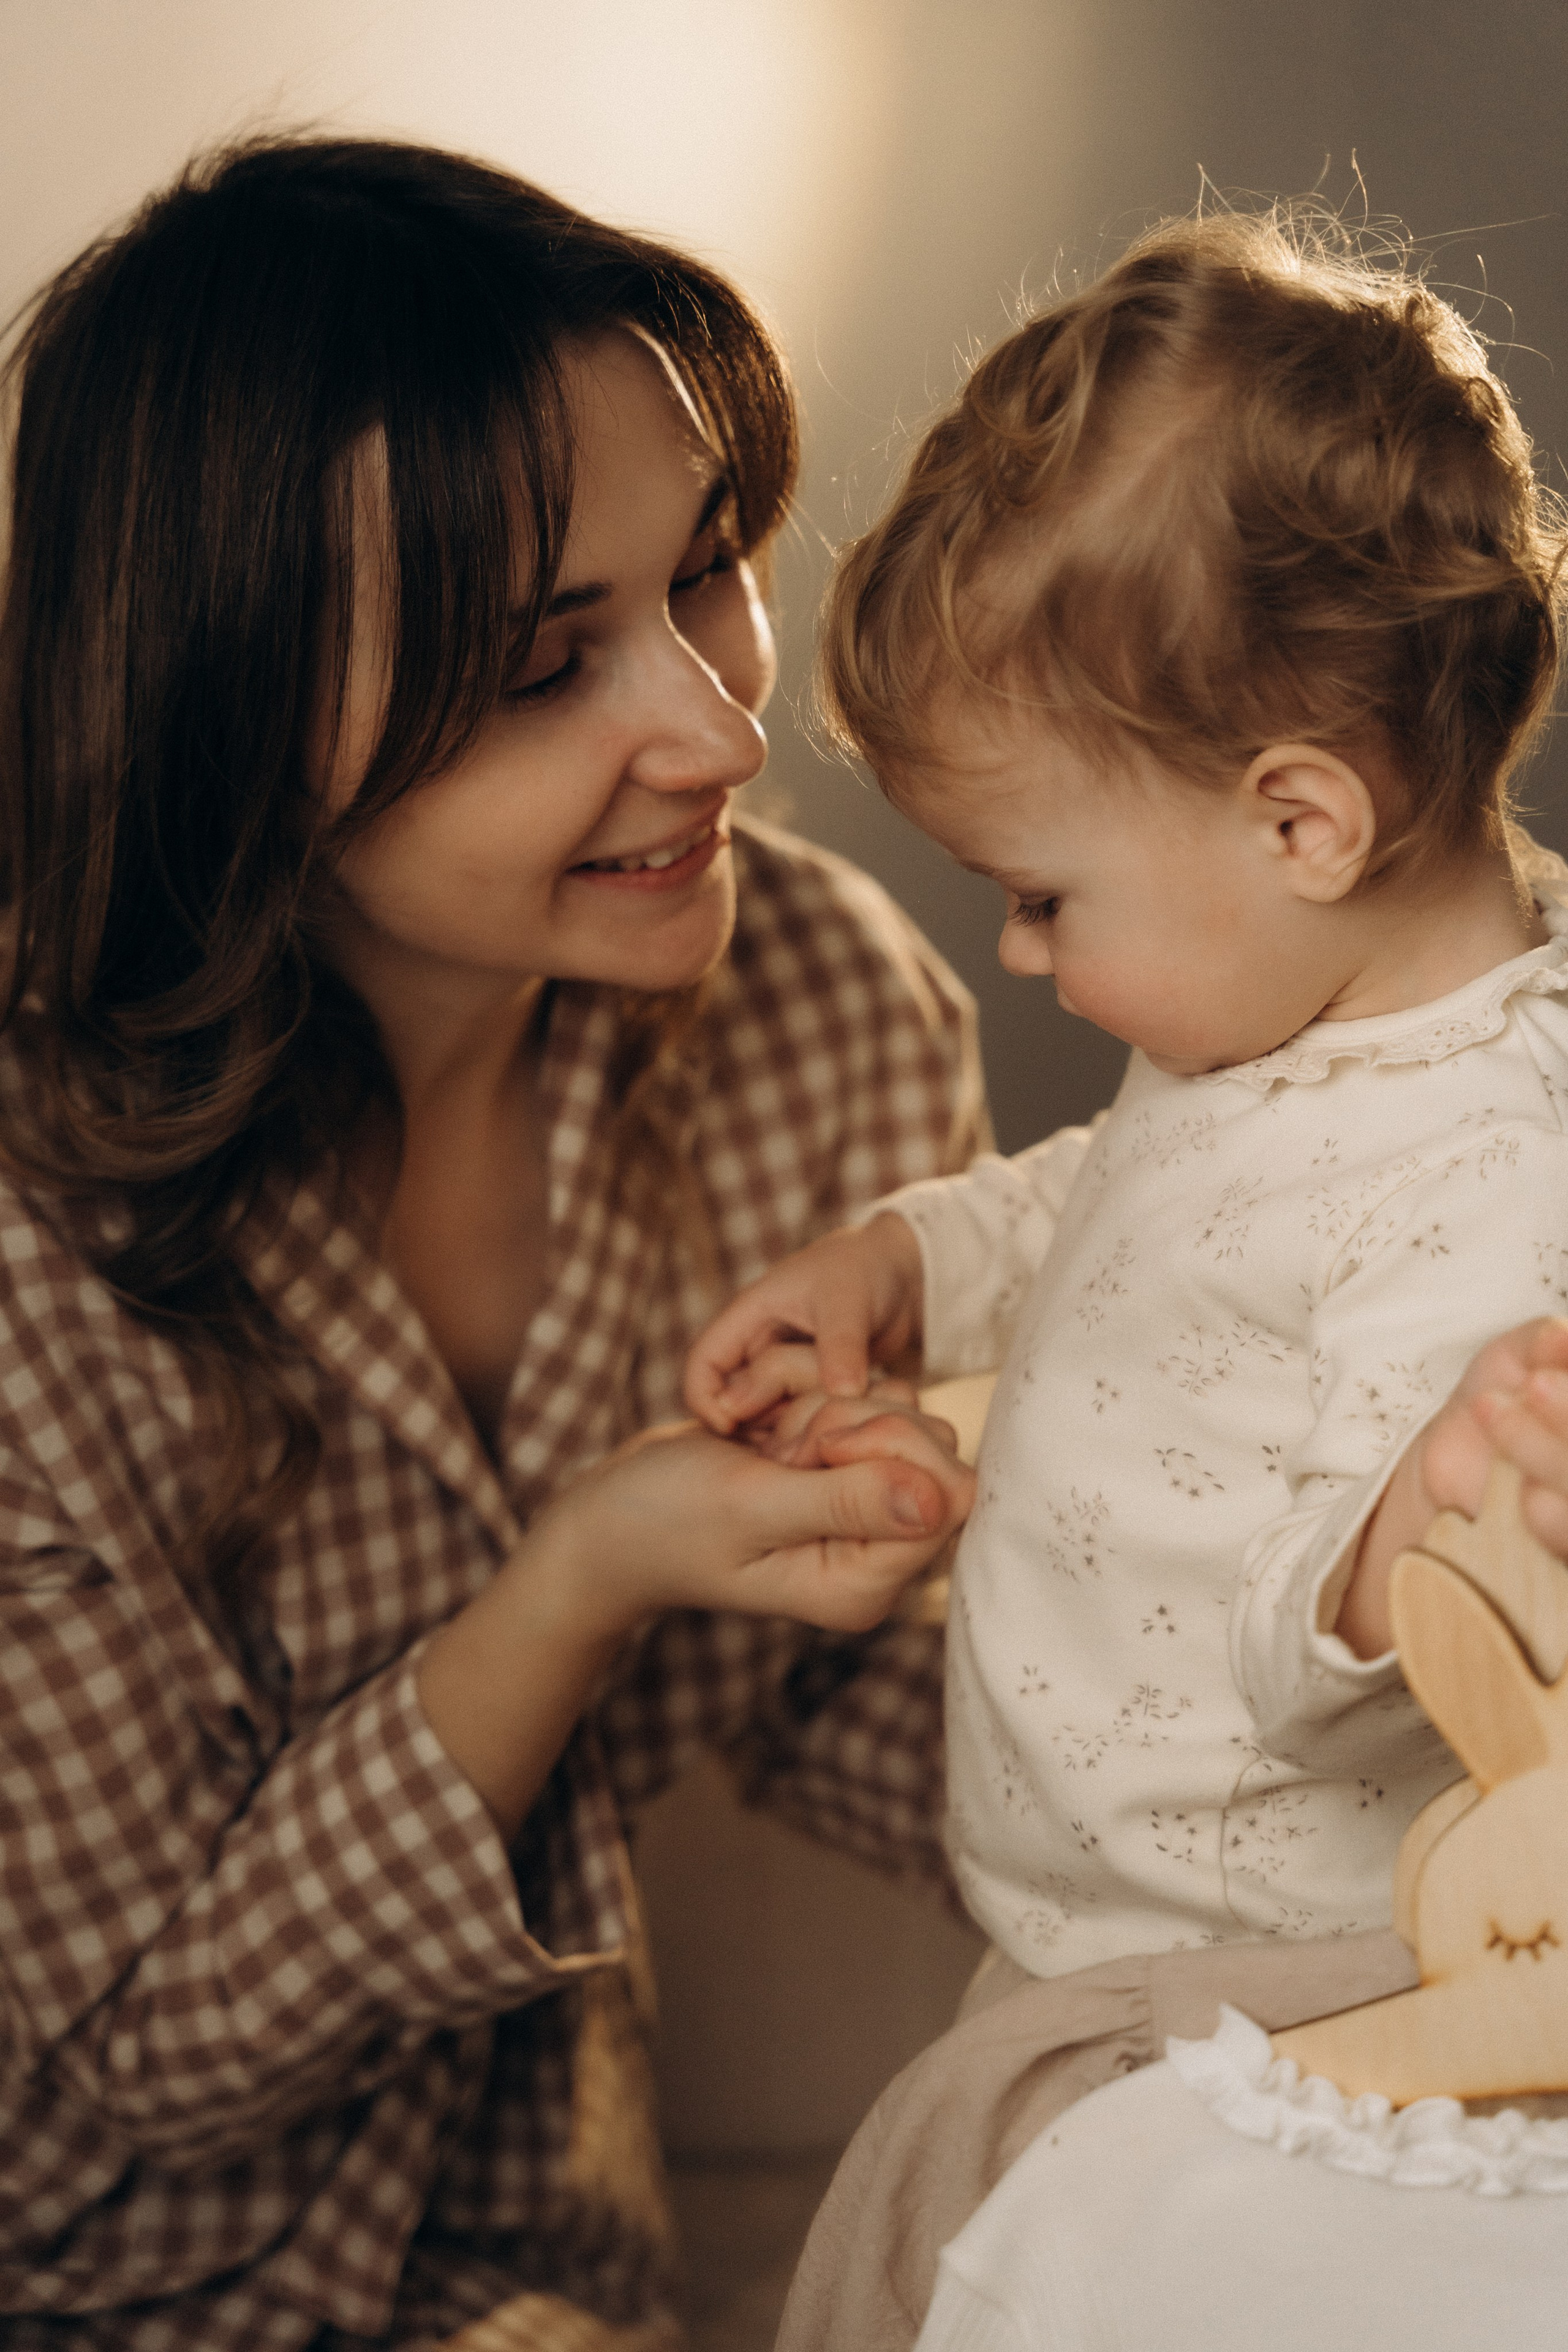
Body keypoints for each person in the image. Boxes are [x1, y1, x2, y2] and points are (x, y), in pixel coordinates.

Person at [0, 137, 986, 2351]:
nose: (721, 726)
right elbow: (150, 2056)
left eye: (709, 567)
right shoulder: (25, 1234)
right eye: (548, 668)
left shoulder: (816, 1004)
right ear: (234, 728)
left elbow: (863, 1690)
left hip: (562, 2274)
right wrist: (577, 1582)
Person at [684, 209, 1568, 2337]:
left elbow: (1350, 1656)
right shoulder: (1291, 1020)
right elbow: (1119, 1188)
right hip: (1112, 1908)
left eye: (1039, 892)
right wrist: (908, 1261)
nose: (1014, 950)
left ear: (1299, 824)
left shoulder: (1489, 1179)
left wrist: (1408, 1534)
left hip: (1302, 1951)